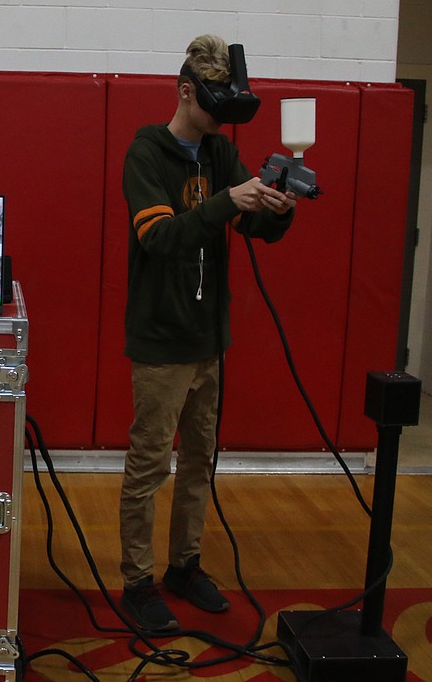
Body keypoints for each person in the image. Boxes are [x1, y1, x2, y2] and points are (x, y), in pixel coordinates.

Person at [119, 34, 296, 633]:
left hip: (207, 341)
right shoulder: (144, 155)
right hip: (161, 341)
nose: (219, 123)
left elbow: (254, 228)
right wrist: (227, 201)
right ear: (185, 91)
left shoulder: (220, 154)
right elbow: (160, 238)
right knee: (150, 465)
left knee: (199, 463)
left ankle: (184, 565)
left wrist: (277, 206)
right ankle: (137, 581)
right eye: (211, 108)